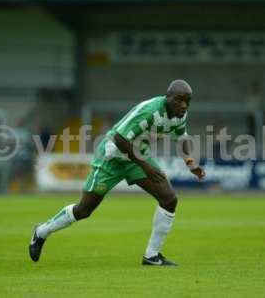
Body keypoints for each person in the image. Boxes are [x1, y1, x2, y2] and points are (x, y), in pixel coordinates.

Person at [29, 80, 206, 266]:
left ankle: (152, 256)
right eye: (179, 100)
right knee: (84, 210)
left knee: (169, 199)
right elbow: (119, 138)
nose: (184, 105)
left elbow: (181, 138)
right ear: (167, 97)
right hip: (112, 157)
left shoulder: (180, 115)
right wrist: (146, 166)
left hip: (137, 157)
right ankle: (41, 232)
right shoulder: (150, 110)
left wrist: (190, 162)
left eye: (188, 101)